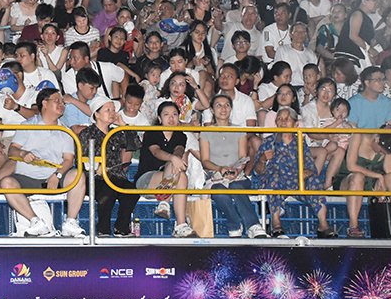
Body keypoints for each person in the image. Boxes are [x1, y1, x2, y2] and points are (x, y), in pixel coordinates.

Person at [0, 88, 86, 237]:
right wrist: (23, 154)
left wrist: (58, 175)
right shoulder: (27, 125)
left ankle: (70, 222)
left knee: (78, 175)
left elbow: (68, 160)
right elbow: (12, 151)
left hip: (53, 177)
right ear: (44, 103)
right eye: (57, 101)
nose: (62, 104)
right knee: (7, 183)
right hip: (27, 177)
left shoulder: (65, 131)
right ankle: (35, 222)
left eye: (62, 102)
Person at [254, 106, 337, 238]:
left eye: (286, 119)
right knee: (274, 179)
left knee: (314, 181)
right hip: (276, 180)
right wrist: (263, 160)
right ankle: (276, 226)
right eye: (279, 119)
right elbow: (258, 171)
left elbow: (311, 167)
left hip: (297, 180)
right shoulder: (269, 141)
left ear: (295, 123)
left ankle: (323, 225)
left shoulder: (300, 142)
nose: (282, 122)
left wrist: (306, 173)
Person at [200, 94, 267, 239]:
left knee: (236, 186)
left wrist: (237, 170)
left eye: (227, 105)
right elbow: (205, 160)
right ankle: (234, 225)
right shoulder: (206, 132)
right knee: (219, 191)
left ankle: (253, 225)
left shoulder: (239, 130)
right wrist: (219, 169)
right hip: (216, 176)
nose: (223, 109)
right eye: (219, 105)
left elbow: (243, 157)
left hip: (238, 175)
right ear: (212, 110)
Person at [134, 101, 198, 238]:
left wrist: (176, 158)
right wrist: (173, 158)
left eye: (175, 114)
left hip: (171, 178)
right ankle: (167, 204)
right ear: (159, 118)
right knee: (173, 164)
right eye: (167, 114)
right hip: (147, 180)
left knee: (179, 172)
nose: (171, 118)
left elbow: (179, 150)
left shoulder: (181, 135)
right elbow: (156, 151)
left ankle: (177, 220)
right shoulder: (151, 133)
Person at [77, 95, 138, 236]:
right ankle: (102, 229)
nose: (112, 113)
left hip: (115, 176)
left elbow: (134, 144)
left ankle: (121, 227)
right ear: (96, 114)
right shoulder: (87, 133)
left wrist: (123, 125)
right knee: (107, 193)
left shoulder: (115, 133)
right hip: (95, 178)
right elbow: (83, 158)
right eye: (107, 110)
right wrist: (96, 167)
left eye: (113, 110)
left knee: (132, 192)